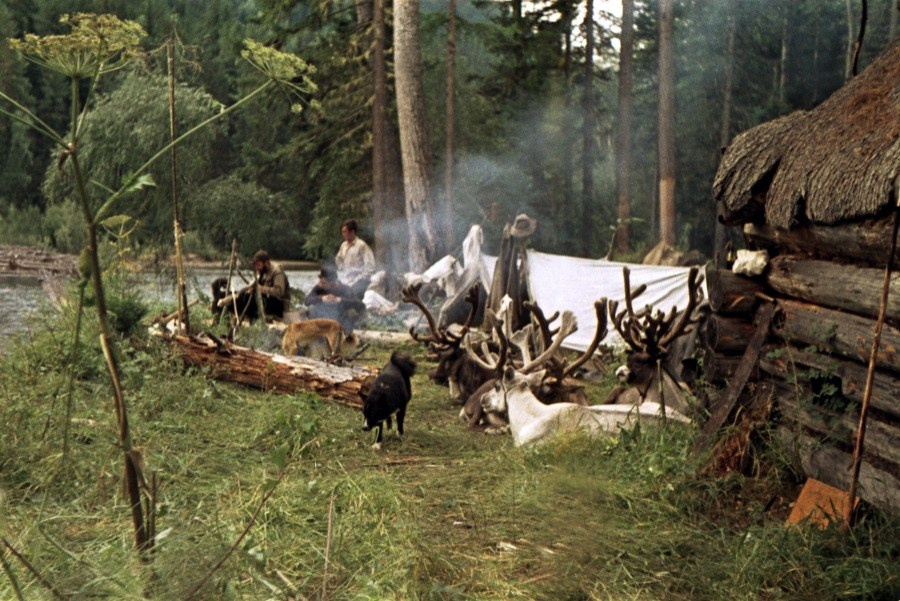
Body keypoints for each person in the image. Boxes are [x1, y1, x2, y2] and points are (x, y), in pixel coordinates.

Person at [216, 250, 291, 322]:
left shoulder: (277, 272)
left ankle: (254, 324)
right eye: (256, 266)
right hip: (267, 300)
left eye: (259, 265)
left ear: (266, 262)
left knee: (251, 300)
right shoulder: (262, 271)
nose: (257, 268)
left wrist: (261, 289)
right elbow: (252, 286)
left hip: (279, 305)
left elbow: (279, 291)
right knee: (243, 297)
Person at [305, 265, 366, 332]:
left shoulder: (345, 289)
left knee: (351, 312)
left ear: (333, 282)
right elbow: (307, 301)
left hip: (340, 320)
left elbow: (360, 305)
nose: (321, 284)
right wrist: (321, 298)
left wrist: (341, 300)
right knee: (312, 309)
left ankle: (345, 334)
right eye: (320, 282)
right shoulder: (319, 288)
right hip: (323, 319)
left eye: (324, 283)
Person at [335, 219, 375, 298]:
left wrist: (361, 279)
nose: (343, 234)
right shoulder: (343, 245)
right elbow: (338, 259)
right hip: (346, 280)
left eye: (345, 232)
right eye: (342, 232)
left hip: (359, 281)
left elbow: (370, 266)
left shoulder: (361, 245)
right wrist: (342, 269)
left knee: (350, 296)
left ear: (352, 232)